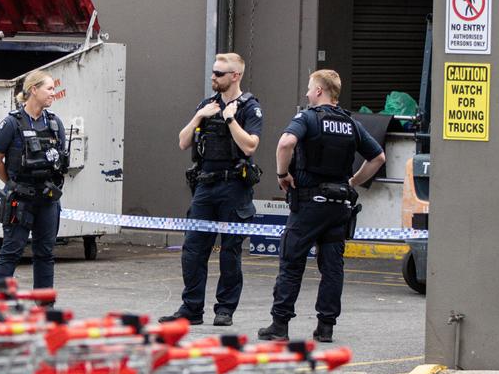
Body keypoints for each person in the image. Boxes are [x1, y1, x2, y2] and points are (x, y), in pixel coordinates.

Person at [259, 69, 386, 342]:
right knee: (332, 268)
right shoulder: (350, 123)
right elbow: (378, 157)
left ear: (318, 91)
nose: (306, 93)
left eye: (309, 88)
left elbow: (285, 143)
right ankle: (325, 328)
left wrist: (283, 175)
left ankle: (280, 325)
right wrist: (352, 182)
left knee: (292, 263)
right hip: (339, 206)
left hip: (308, 204)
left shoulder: (307, 118)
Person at [159, 53, 263, 327]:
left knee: (230, 252)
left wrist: (231, 120)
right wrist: (198, 117)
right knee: (193, 249)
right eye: (213, 72)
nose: (213, 77)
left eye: (219, 73)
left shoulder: (249, 107)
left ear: (235, 76)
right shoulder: (207, 105)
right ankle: (192, 308)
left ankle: (225, 309)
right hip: (205, 185)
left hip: (234, 187)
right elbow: (183, 142)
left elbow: (250, 146)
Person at [0, 70, 68, 290]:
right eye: (49, 88)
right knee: (11, 251)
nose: (53, 93)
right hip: (20, 200)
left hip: (48, 200)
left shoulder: (55, 123)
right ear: (34, 90)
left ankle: (44, 307)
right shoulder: (11, 124)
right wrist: (12, 184)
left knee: (45, 253)